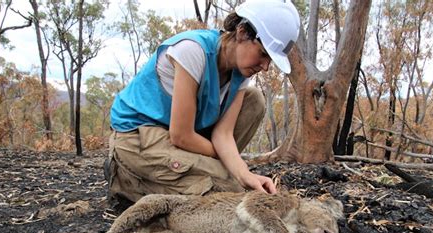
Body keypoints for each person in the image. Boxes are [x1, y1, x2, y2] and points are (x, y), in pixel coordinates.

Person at [105, 0, 300, 206]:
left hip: (181, 138)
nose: (266, 67)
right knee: (229, 187)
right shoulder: (192, 51)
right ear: (242, 32)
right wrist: (230, 166)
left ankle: (191, 174)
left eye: (270, 59)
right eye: (263, 54)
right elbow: (181, 135)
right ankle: (126, 179)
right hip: (139, 133)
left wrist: (243, 173)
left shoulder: (241, 73)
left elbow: (223, 134)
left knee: (254, 102)